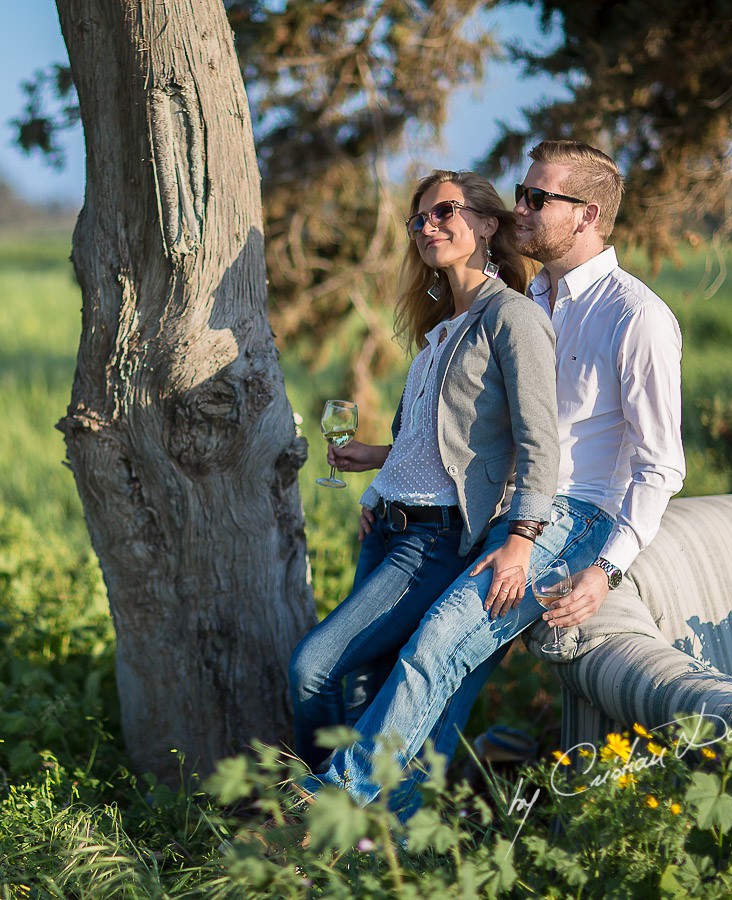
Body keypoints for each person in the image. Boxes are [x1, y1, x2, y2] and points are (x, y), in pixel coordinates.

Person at [307, 140, 686, 817]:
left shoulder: (637, 316)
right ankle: (394, 846)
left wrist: (606, 570)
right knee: (442, 686)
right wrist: (387, 469)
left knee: (433, 647)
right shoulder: (529, 299)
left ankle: (323, 812)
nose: (521, 210)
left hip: (570, 520)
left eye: (538, 199)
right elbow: (479, 428)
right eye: (521, 194)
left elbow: (661, 465)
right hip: (500, 515)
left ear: (588, 214)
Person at [288, 169, 558, 775]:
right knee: (362, 682)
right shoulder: (440, 328)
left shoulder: (510, 318)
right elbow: (443, 441)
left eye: (445, 212)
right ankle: (369, 842)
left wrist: (522, 538)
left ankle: (316, 817)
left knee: (315, 668)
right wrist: (377, 465)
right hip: (385, 525)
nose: (428, 226)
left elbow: (539, 438)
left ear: (488, 224)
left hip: (433, 539)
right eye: (419, 219)